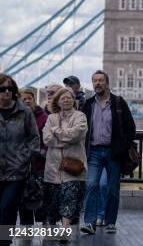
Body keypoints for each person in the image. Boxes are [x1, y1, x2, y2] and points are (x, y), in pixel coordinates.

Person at [80, 70, 135, 235]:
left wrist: (121, 148)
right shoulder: (88, 104)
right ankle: (90, 223)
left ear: (107, 83)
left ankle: (110, 222)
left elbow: (130, 128)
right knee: (91, 185)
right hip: (94, 151)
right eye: (94, 80)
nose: (97, 83)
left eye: (100, 80)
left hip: (113, 153)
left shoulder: (118, 103)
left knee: (112, 188)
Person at [0, 74, 39, 246]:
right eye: (2, 89)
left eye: (10, 88)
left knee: (7, 208)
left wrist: (24, 158)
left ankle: (4, 242)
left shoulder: (25, 112)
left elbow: (34, 138)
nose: (6, 92)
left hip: (17, 171)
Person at [42, 88, 88, 233]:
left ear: (74, 100)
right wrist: (65, 140)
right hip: (53, 168)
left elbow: (76, 134)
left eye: (69, 97)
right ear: (57, 101)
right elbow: (46, 139)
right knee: (53, 202)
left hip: (73, 167)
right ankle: (51, 229)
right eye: (63, 98)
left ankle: (65, 230)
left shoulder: (80, 116)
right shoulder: (51, 118)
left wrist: (57, 132)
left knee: (70, 199)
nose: (66, 100)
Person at [18, 88, 48, 225]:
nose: (27, 101)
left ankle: (47, 230)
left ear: (34, 100)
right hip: (21, 167)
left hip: (39, 166)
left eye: (30, 98)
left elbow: (47, 141)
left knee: (41, 199)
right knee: (23, 202)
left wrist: (40, 152)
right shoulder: (16, 118)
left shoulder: (44, 117)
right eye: (24, 99)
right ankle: (26, 231)